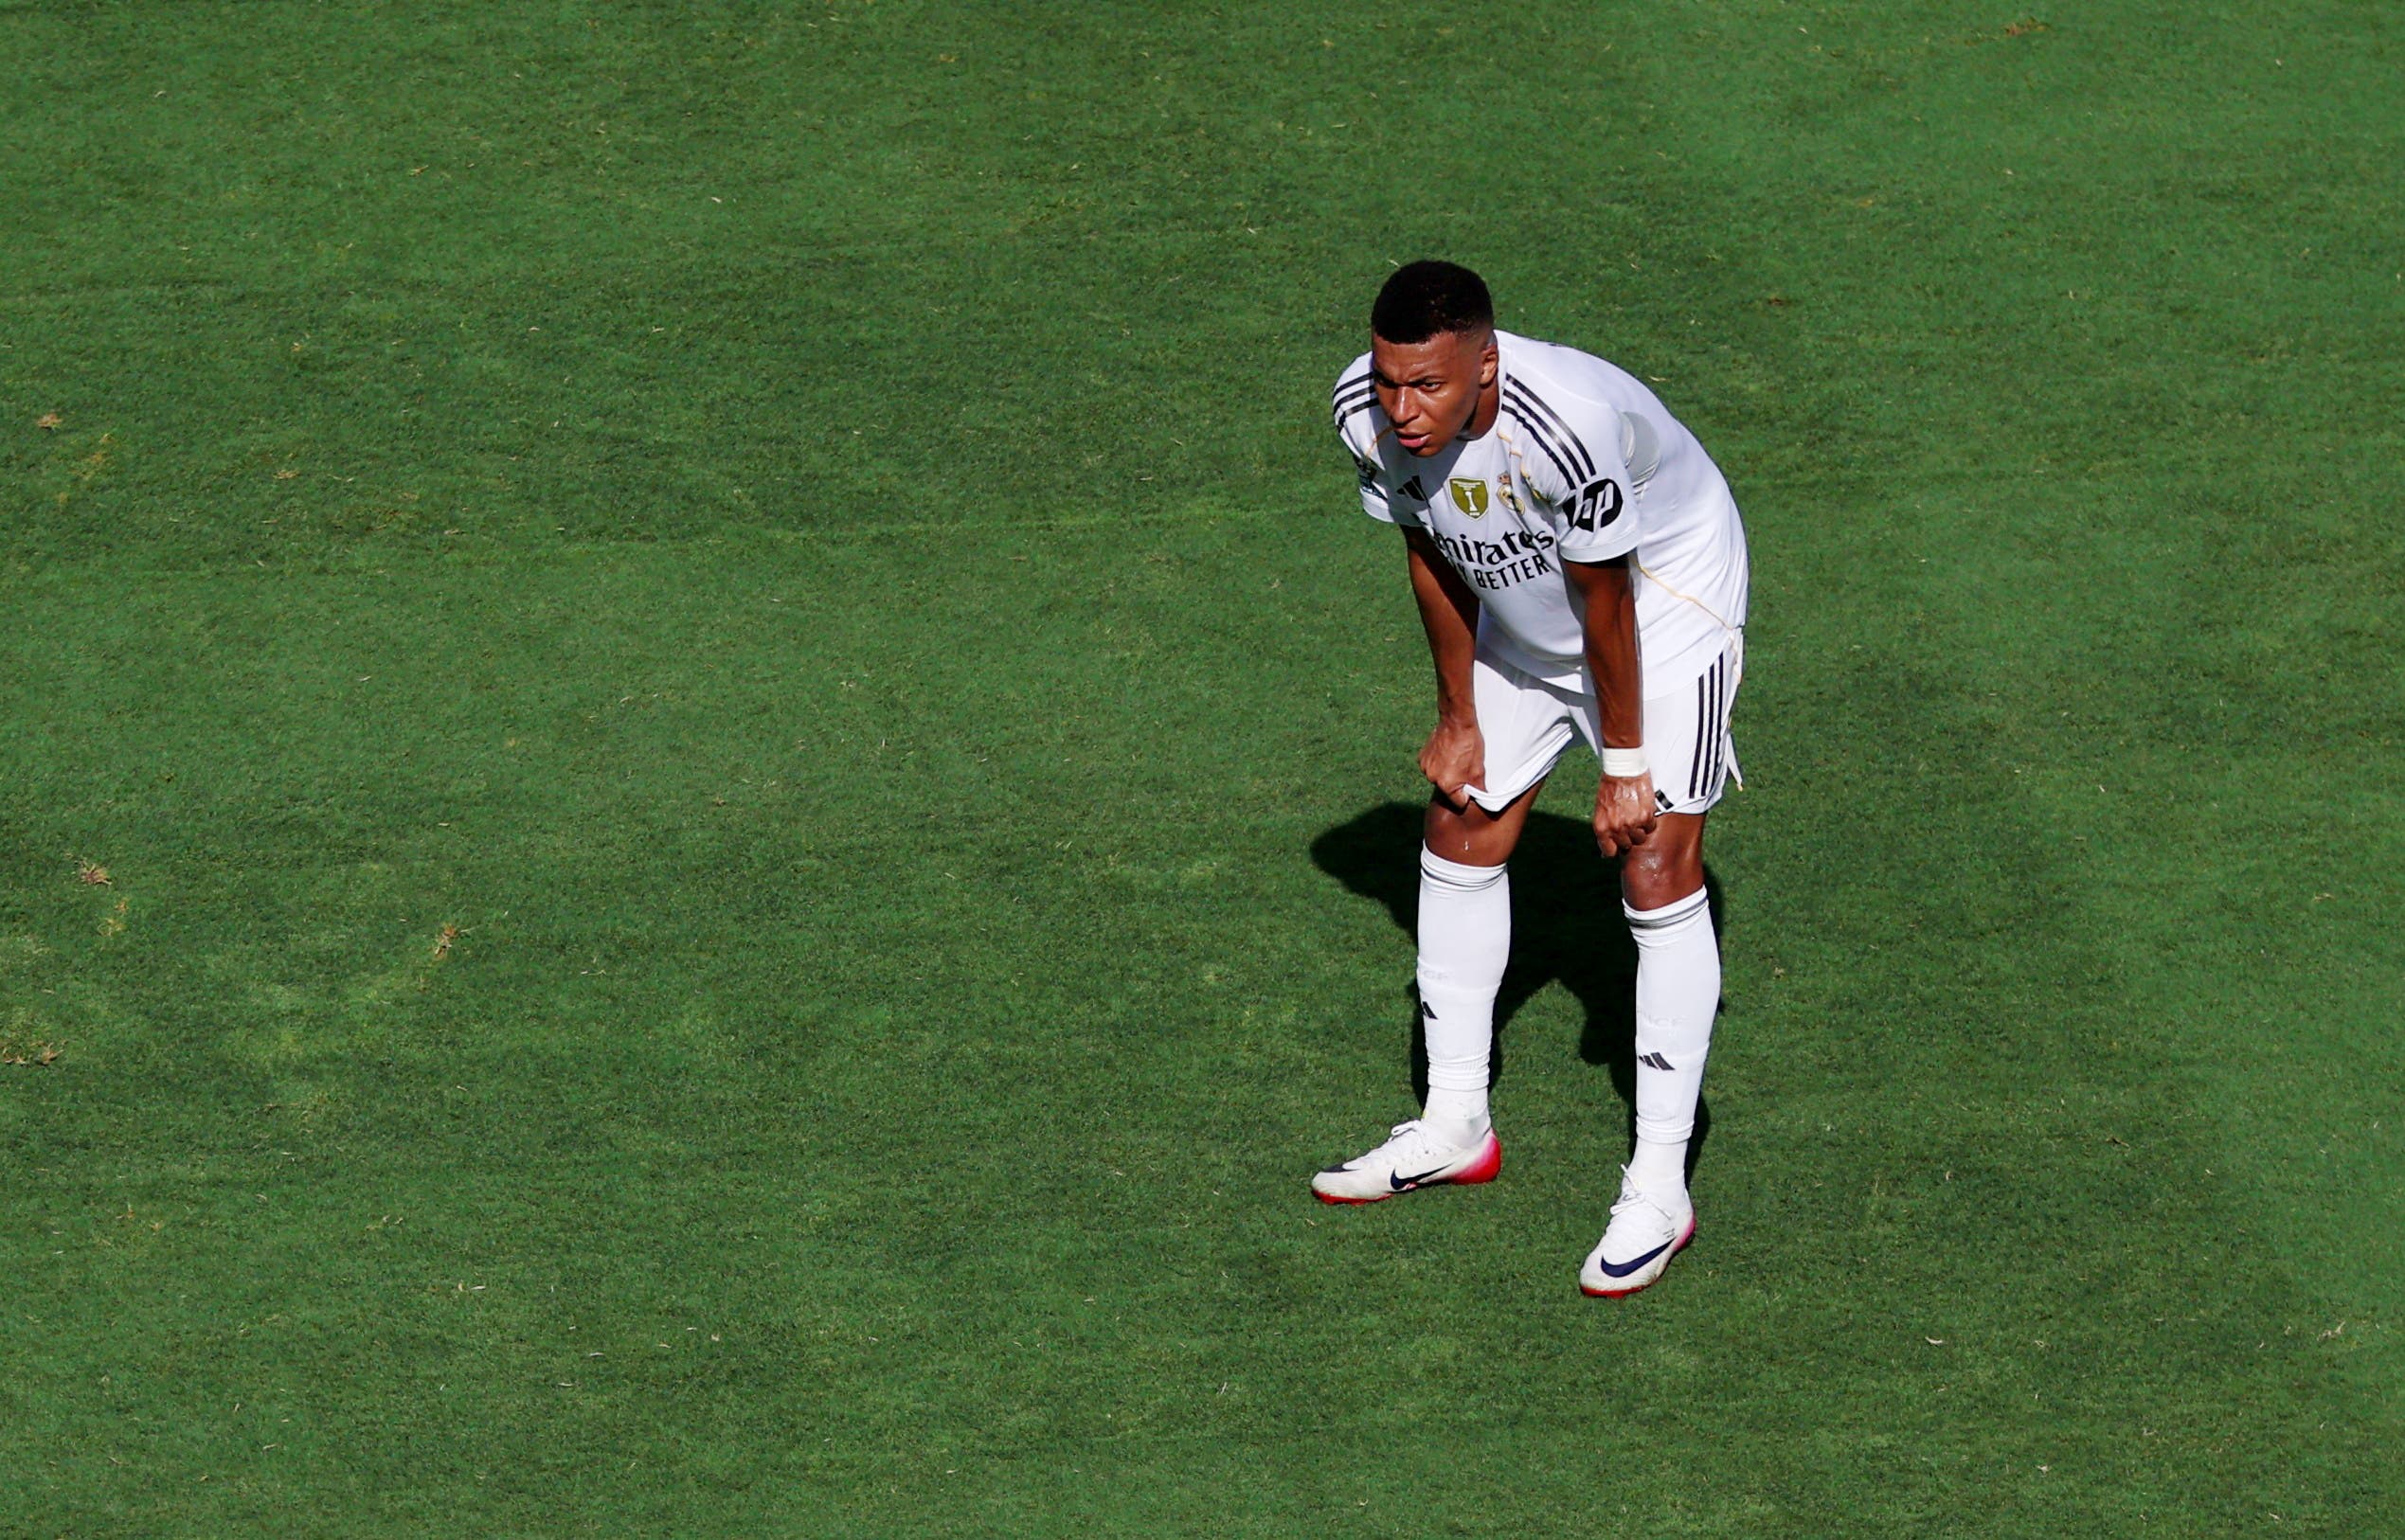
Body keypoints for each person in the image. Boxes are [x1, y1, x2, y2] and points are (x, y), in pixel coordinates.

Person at [1312, 260, 1750, 1298]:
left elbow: (1607, 606)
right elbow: (1428, 549)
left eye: (1427, 386)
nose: (1401, 408)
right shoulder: (1360, 417)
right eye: (1387, 380)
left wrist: (1625, 767)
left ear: (1485, 362)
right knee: (1460, 822)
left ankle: (1657, 1187)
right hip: (1525, 586)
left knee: (1652, 864)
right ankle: (1455, 1123)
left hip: (1662, 605)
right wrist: (1458, 717)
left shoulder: (1570, 425)